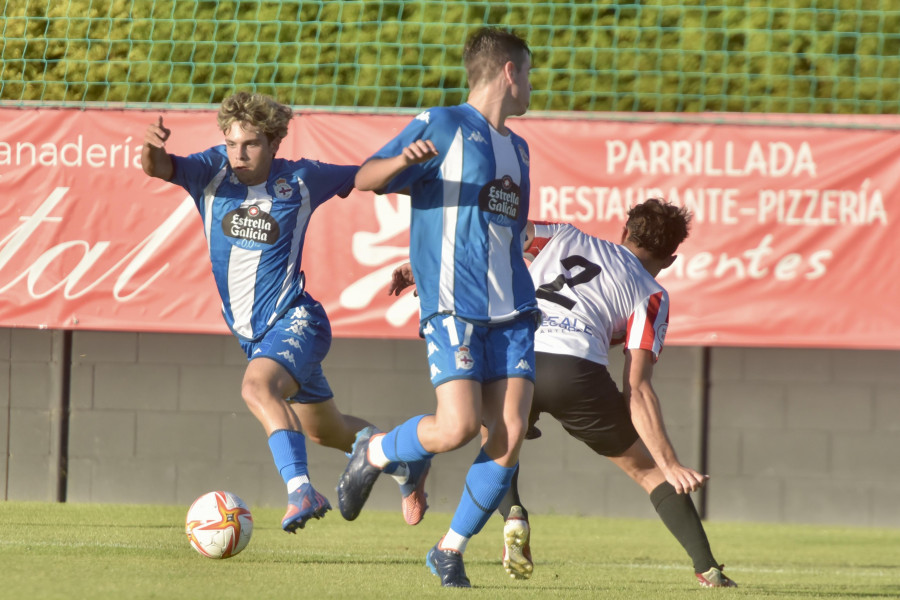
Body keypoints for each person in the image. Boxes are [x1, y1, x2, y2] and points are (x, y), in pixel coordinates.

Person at [391, 198, 737, 588]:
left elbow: (489, 235)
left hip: (518, 353)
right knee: (647, 472)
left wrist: (428, 269)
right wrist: (669, 462)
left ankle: (513, 514)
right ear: (671, 259)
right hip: (577, 374)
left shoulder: (562, 235)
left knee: (499, 438)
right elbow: (637, 387)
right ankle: (707, 567)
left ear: (624, 232)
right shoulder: (652, 293)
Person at [141, 91, 427, 534]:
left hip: (296, 320)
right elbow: (158, 167)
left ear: (274, 143)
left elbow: (365, 176)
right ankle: (406, 463)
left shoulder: (303, 179)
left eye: (251, 144)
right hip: (254, 336)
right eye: (232, 143)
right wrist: (153, 148)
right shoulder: (211, 170)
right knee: (326, 432)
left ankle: (300, 490)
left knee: (256, 389)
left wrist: (406, 163)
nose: (239, 153)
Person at [336, 27, 539, 588]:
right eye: (528, 73)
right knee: (455, 428)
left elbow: (502, 233)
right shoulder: (444, 123)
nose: (531, 86)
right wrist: (403, 158)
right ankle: (375, 450)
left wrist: (414, 264)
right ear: (508, 73)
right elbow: (364, 178)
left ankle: (449, 550)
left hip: (514, 310)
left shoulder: (519, 149)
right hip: (455, 305)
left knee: (509, 432)